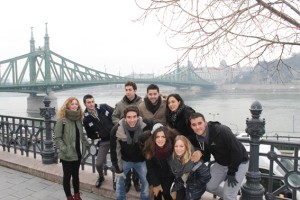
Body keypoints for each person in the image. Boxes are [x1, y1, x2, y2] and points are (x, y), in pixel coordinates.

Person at [189, 112, 249, 200]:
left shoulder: (221, 131)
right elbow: (206, 157)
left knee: (229, 195)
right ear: (191, 127)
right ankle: (226, 196)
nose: (197, 127)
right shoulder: (199, 138)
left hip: (239, 163)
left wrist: (232, 172)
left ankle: (229, 196)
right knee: (208, 185)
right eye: (194, 125)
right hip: (222, 163)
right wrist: (195, 161)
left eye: (199, 123)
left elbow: (237, 151)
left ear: (205, 123)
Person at [110, 105, 154, 200]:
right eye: (129, 117)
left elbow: (157, 125)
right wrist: (117, 168)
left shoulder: (146, 125)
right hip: (125, 160)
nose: (132, 120)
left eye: (134, 117)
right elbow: (114, 150)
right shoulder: (117, 129)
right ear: (124, 118)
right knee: (119, 183)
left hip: (141, 160)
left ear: (138, 117)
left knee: (146, 182)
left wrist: (156, 127)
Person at [54, 97, 89, 200]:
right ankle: (69, 197)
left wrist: (85, 145)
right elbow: (57, 138)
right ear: (68, 105)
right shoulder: (62, 120)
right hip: (67, 154)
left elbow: (81, 135)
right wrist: (65, 149)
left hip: (77, 152)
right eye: (72, 104)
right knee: (67, 176)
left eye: (76, 104)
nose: (74, 106)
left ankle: (77, 196)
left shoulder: (79, 119)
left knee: (76, 175)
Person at [112, 81, 142, 192]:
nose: (128, 92)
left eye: (130, 90)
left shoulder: (141, 103)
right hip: (124, 137)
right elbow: (114, 117)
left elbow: (142, 118)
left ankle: (136, 181)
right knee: (126, 160)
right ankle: (127, 182)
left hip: (137, 136)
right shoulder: (120, 104)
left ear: (135, 90)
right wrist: (121, 125)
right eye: (126, 90)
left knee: (137, 160)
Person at [82, 94, 114, 188]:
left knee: (115, 162)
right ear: (85, 104)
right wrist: (97, 135)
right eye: (89, 102)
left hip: (114, 138)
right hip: (103, 141)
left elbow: (115, 115)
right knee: (99, 163)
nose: (91, 104)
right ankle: (101, 177)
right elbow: (89, 135)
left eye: (92, 101)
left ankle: (115, 179)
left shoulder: (104, 107)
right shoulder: (86, 119)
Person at [168, 135, 211, 200]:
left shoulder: (194, 159)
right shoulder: (174, 159)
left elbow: (206, 176)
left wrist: (193, 185)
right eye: (176, 146)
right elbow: (178, 177)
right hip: (181, 185)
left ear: (186, 147)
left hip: (194, 188)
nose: (178, 149)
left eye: (181, 146)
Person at [143, 125, 176, 200]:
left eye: (163, 137)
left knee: (166, 193)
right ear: (154, 138)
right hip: (156, 175)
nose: (160, 139)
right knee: (157, 194)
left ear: (166, 138)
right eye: (157, 137)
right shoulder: (150, 149)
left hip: (169, 174)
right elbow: (150, 169)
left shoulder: (172, 147)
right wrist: (156, 184)